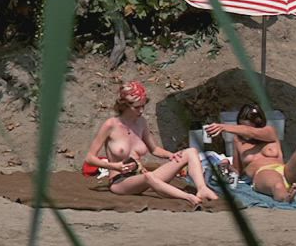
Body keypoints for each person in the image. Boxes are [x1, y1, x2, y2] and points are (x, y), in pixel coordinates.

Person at [84, 80, 218, 206]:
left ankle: (202, 188)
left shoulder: (141, 122)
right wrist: (115, 166)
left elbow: (154, 149)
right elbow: (90, 158)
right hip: (120, 180)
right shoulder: (110, 125)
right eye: (137, 107)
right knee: (148, 176)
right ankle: (187, 197)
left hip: (141, 174)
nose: (141, 110)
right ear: (124, 105)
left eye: (143, 106)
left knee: (190, 152)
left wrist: (171, 155)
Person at [205, 103, 296, 202]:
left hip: (285, 171)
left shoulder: (269, 132)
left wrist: (223, 127)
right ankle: (285, 197)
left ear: (258, 125)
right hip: (263, 174)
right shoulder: (238, 140)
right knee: (277, 184)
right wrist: (228, 166)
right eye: (240, 125)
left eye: (245, 126)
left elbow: (250, 132)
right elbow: (239, 172)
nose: (242, 130)